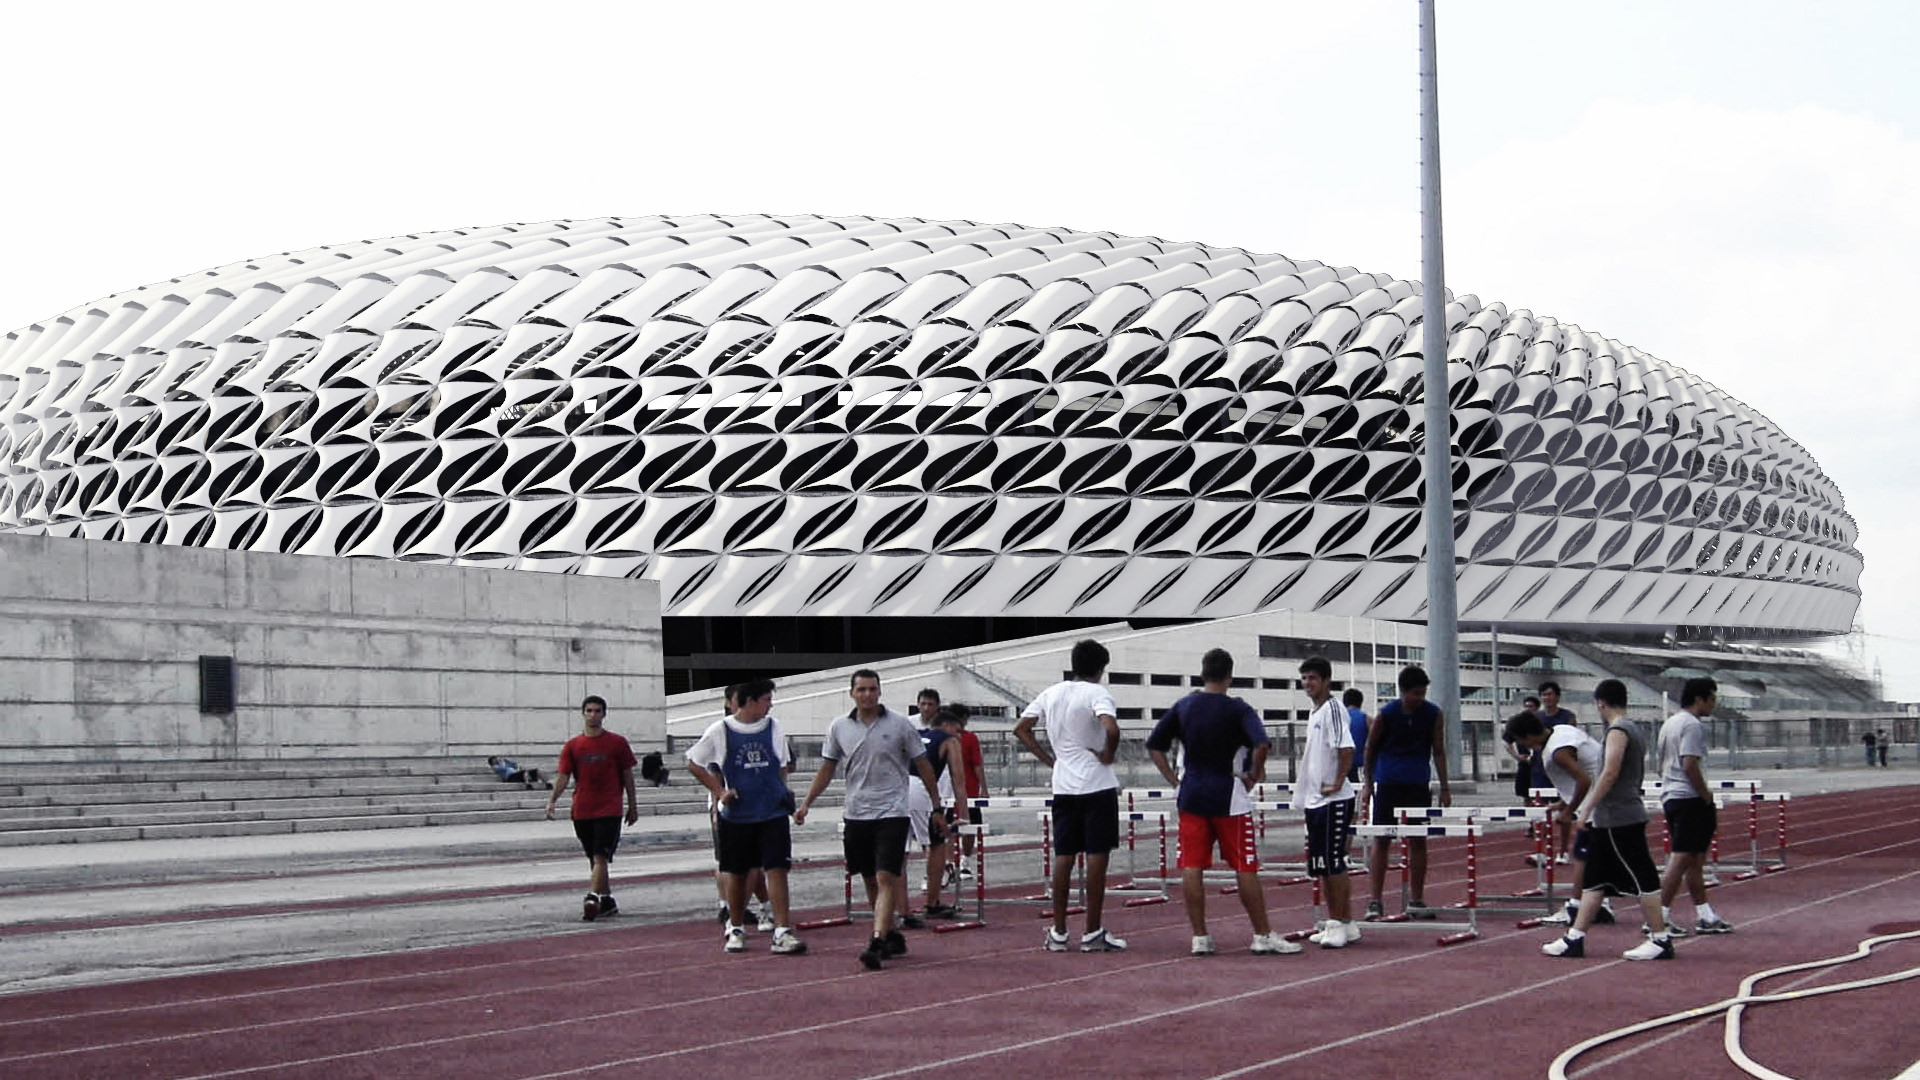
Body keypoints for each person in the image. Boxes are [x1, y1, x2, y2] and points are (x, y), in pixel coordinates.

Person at [1146, 648, 1301, 956]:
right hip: (1229, 795)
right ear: (1230, 675)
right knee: (1245, 864)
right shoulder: (1238, 709)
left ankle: (1200, 936)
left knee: (1192, 864)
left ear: (1203, 674)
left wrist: (1174, 781)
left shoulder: (1184, 705)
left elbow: (1154, 745)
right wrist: (1253, 775)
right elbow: (1262, 744)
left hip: (1191, 793)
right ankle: (1261, 934)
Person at [795, 669, 945, 971]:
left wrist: (937, 805)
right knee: (869, 877)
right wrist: (807, 803)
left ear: (880, 692)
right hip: (856, 812)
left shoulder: (900, 725)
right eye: (861, 689)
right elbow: (827, 768)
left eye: (872, 689)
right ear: (852, 693)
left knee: (887, 875)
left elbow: (922, 764)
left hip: (892, 811)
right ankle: (889, 932)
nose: (867, 694)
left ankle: (876, 940)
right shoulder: (839, 727)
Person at [1540, 679, 1674, 960]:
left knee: (1643, 875)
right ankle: (1574, 938)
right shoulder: (1634, 728)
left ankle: (1660, 939)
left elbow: (1610, 772)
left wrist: (1586, 808)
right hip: (1613, 816)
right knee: (1595, 879)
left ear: (1600, 703)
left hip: (1618, 817)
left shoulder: (1618, 730)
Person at [1016, 639, 1127, 953]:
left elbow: (1022, 728)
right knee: (1097, 855)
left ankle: (1059, 931)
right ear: (1101, 668)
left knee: (1064, 855)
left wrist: (1050, 759)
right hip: (1096, 782)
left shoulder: (1051, 693)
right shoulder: (1097, 693)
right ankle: (1092, 931)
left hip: (1063, 784)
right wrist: (1107, 754)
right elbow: (1112, 728)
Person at [685, 678, 807, 956]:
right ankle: (736, 926)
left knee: (777, 870)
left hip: (772, 813)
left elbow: (782, 767)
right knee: (737, 874)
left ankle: (782, 930)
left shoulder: (775, 728)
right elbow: (693, 761)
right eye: (766, 699)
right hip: (738, 815)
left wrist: (786, 800)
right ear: (750, 700)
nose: (770, 705)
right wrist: (719, 791)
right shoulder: (721, 730)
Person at [1358, 666, 1452, 920]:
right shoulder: (1386, 714)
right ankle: (1375, 900)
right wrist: (1368, 783)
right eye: (1414, 693)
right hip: (1388, 782)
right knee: (1382, 839)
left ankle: (1417, 899)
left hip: (1418, 783)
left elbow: (1439, 750)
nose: (1419, 698)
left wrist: (1444, 786)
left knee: (1418, 839)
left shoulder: (1433, 714)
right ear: (1403, 692)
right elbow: (1370, 749)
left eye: (1422, 693)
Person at [1502, 711, 1611, 927]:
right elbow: (1586, 773)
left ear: (1528, 736)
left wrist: (1568, 810)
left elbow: (1584, 780)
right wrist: (1561, 804)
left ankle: (1575, 907)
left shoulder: (1557, 751)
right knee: (1595, 859)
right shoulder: (1562, 732)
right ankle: (1600, 906)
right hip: (1602, 802)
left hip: (1597, 808)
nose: (1523, 746)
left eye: (1521, 741)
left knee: (1582, 857)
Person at [544, 695, 638, 922]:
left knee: (600, 856)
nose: (593, 715)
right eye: (589, 710)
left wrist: (632, 805)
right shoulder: (573, 746)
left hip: (609, 808)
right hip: (583, 810)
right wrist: (553, 800)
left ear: (604, 714)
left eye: (597, 711)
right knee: (594, 858)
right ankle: (607, 900)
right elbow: (564, 776)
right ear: (583, 713)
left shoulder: (617, 743)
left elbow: (627, 775)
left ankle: (592, 897)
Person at [1657, 677, 1733, 936]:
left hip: (1672, 795)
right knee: (1681, 859)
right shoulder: (1692, 725)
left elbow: (1660, 764)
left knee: (1694, 861)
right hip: (1688, 798)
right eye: (1712, 699)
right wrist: (1706, 796)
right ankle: (1658, 917)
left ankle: (1705, 914)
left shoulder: (1669, 723)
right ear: (1699, 699)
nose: (1713, 704)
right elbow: (1689, 763)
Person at [1297, 656, 1360, 948]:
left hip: (1334, 800)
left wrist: (1336, 782)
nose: (1308, 683)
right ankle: (1343, 922)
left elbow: (1347, 748)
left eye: (1312, 678)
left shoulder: (1333, 709)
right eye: (1304, 678)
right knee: (1322, 863)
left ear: (1325, 681)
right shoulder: (1315, 713)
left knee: (1334, 862)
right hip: (1315, 801)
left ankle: (1338, 923)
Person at [904, 709, 970, 919]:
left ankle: (899, 907)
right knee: (937, 844)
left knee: (900, 850)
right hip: (919, 790)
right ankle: (932, 903)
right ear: (947, 726)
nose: (960, 736)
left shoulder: (917, 735)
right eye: (958, 730)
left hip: (897, 787)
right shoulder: (949, 740)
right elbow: (959, 781)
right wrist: (964, 815)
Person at [954, 707, 987, 875]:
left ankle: (964, 860)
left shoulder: (970, 738)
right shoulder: (948, 738)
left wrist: (983, 789)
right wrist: (984, 788)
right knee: (958, 827)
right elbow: (977, 766)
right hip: (956, 792)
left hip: (968, 792)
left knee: (970, 826)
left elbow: (976, 764)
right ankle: (958, 861)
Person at [1503, 694, 1543, 800]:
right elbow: (1507, 742)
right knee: (1525, 792)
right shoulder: (1518, 723)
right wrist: (1517, 756)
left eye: (1531, 706)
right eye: (1526, 706)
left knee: (1543, 792)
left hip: (1540, 763)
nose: (1527, 709)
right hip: (1525, 762)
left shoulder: (1542, 723)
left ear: (1537, 708)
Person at [1343, 689, 1369, 784]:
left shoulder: (1336, 719)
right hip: (1360, 765)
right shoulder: (1366, 719)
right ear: (1361, 702)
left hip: (1339, 766)